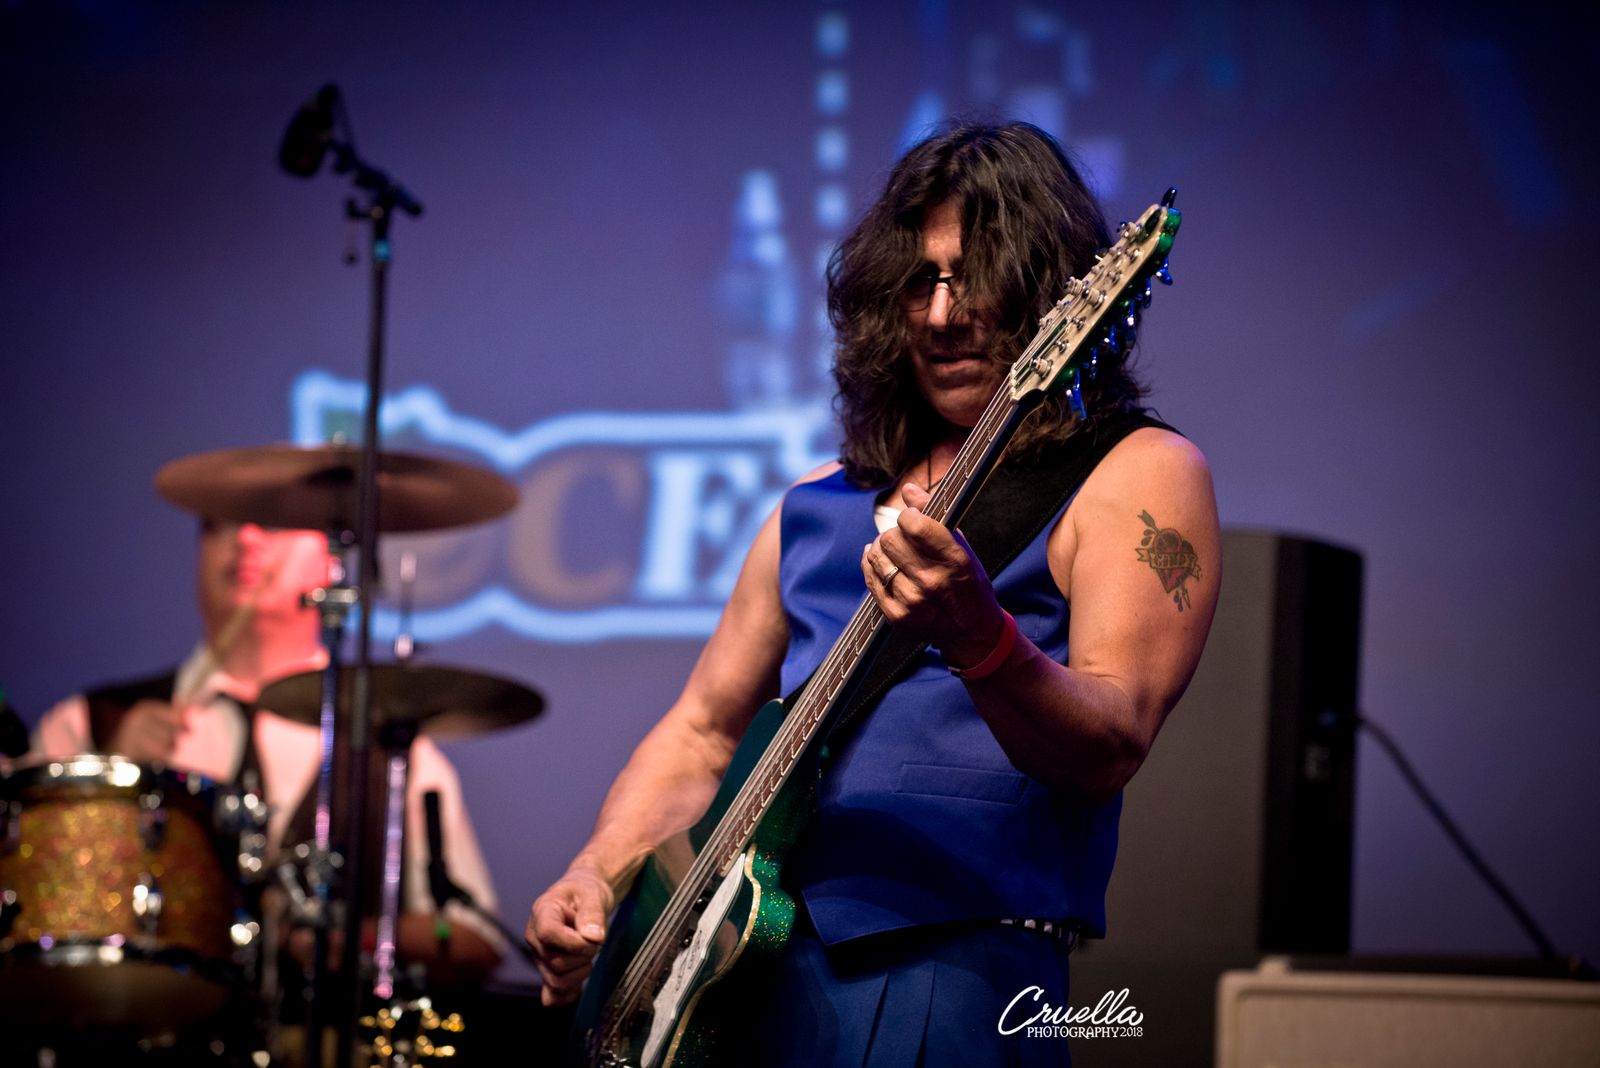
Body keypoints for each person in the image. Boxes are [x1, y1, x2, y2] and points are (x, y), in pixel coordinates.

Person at [526, 122, 1220, 1065]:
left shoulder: (1138, 473)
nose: (942, 314)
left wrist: (980, 636)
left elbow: (1113, 739)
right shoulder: (816, 504)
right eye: (920, 280)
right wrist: (594, 875)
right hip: (740, 977)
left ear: (1059, 293)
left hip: (953, 970)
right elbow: (702, 732)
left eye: (976, 277)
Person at [32, 517, 504, 988]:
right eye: (219, 524)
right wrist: (106, 786)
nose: (245, 539)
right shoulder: (89, 725)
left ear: (333, 561)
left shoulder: (394, 750)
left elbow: (470, 936)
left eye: (275, 523)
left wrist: (356, 938)